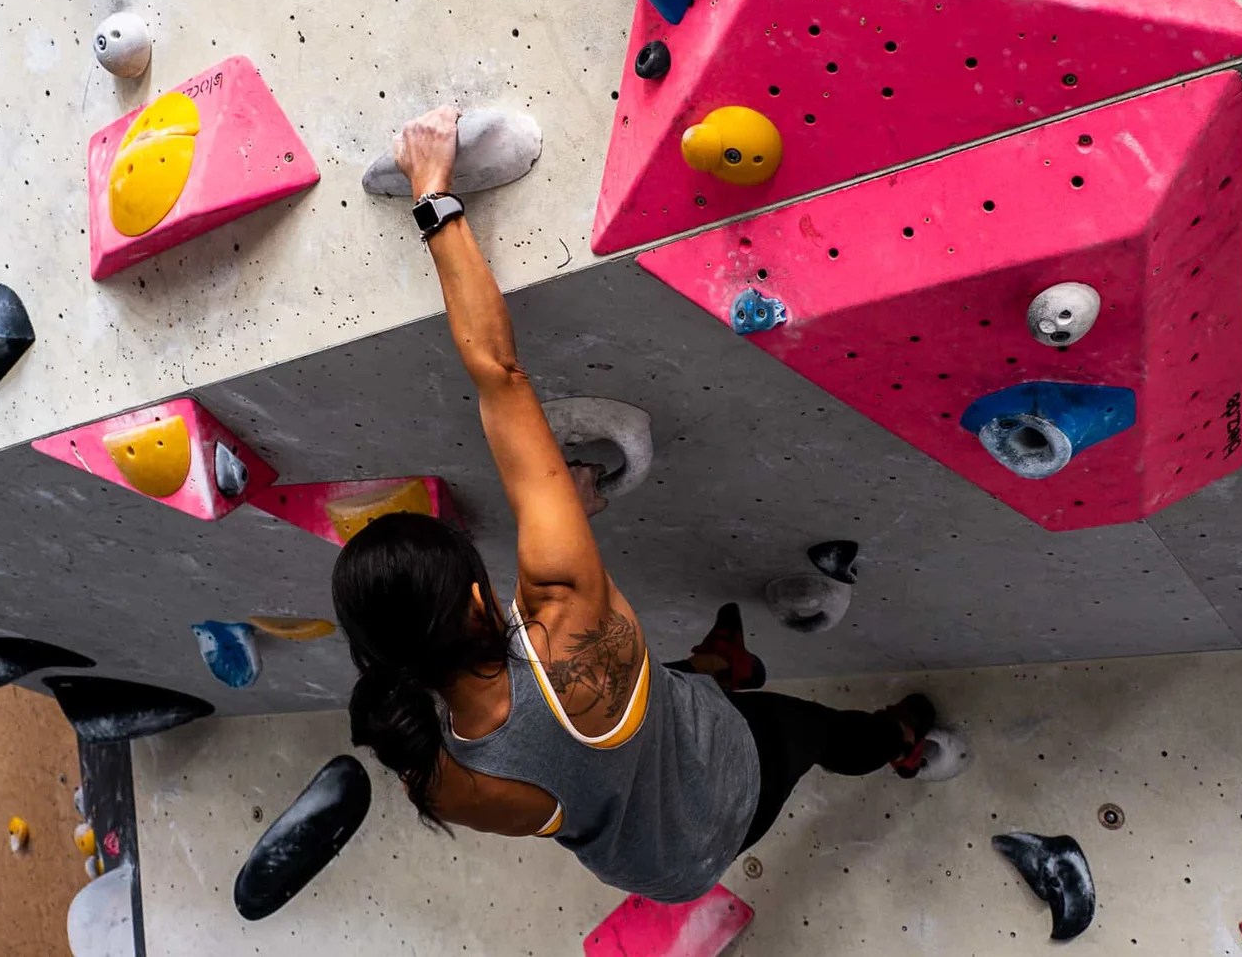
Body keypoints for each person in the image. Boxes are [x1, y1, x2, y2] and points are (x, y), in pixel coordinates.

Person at [331, 106, 941, 905]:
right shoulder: (563, 602)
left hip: (649, 868)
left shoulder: (433, 775)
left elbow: (543, 744)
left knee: (648, 702)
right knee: (817, 732)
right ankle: (897, 738)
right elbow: (500, 374)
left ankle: (723, 663)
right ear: (481, 596)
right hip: (730, 791)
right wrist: (434, 190)